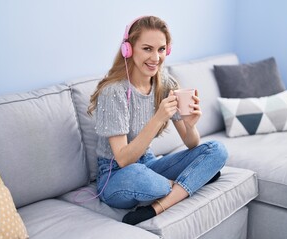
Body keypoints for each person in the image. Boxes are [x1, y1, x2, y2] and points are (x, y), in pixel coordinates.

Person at [87, 15, 228, 225]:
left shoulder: (165, 84)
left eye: (161, 49)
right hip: (116, 175)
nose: (155, 58)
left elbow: (192, 143)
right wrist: (158, 118)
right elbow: (123, 160)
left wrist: (190, 125)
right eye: (147, 48)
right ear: (129, 49)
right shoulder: (114, 92)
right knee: (142, 177)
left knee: (217, 150)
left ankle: (157, 207)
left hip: (149, 163)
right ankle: (191, 181)